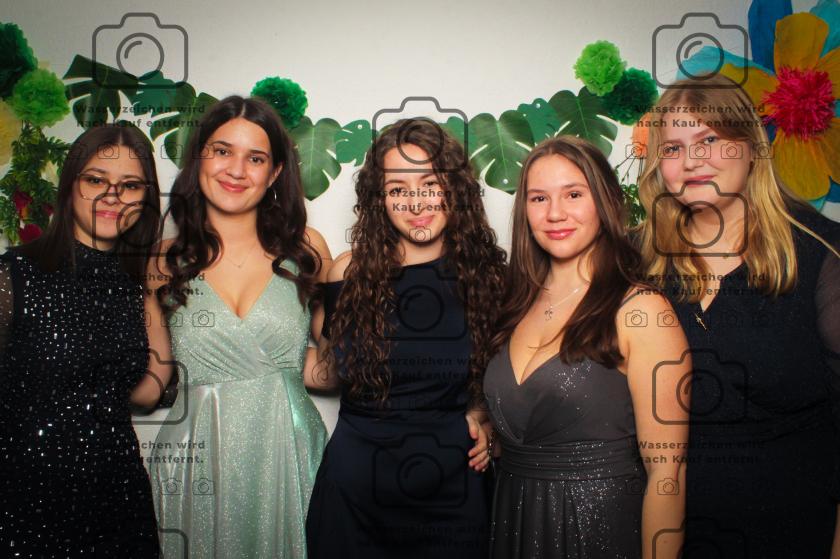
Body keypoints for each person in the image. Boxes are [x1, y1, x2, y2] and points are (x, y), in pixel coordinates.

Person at [636, 74, 840, 558]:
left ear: (751, 146)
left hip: (798, 534)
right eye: (673, 149)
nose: (691, 161)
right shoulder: (635, 259)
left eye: (709, 140)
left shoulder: (821, 253)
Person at [305, 118, 506, 558]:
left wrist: (486, 416)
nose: (416, 202)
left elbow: (509, 375)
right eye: (398, 189)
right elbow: (327, 372)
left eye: (430, 184)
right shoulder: (348, 273)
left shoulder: (490, 279)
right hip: (355, 495)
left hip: (453, 495)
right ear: (380, 199)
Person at [484, 135, 690, 559]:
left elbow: (667, 474)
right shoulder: (512, 304)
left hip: (599, 530)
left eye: (574, 194)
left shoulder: (642, 311)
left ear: (606, 201)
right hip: (513, 520)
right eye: (539, 198)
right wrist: (481, 420)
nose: (555, 213)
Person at [147, 96, 332, 558]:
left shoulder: (307, 249)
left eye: (256, 158)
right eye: (222, 151)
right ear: (199, 158)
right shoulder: (162, 261)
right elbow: (153, 380)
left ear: (274, 173)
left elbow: (331, 368)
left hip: (288, 453)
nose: (236, 169)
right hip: (194, 461)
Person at [0, 124, 163, 557]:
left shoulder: (135, 285)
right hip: (25, 507)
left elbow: (148, 392)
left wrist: (149, 285)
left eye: (130, 185)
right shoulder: (14, 275)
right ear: (71, 184)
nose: (112, 196)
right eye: (96, 180)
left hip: (119, 506)